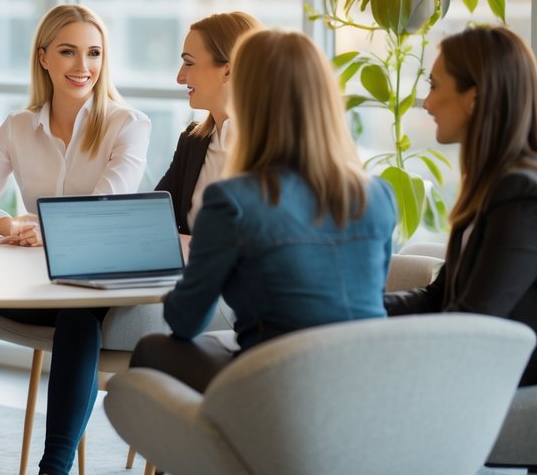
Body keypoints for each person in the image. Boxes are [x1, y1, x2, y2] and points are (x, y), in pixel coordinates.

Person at [132, 29, 396, 393]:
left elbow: (185, 321)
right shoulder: (378, 194)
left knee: (151, 350)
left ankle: (209, 446)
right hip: (368, 382)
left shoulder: (233, 200)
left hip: (278, 385)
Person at [0, 3, 150, 475]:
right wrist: (7, 225)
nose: (84, 67)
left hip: (92, 288)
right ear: (43, 58)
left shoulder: (128, 125)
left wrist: (44, 226)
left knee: (78, 317)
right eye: (68, 52)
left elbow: (103, 209)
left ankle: (52, 467)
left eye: (94, 53)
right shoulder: (19, 126)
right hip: (31, 287)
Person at [384, 26, 537, 385]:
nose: (426, 103)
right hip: (523, 363)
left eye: (434, 86)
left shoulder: (527, 193)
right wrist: (353, 311)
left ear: (474, 98)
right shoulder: (495, 182)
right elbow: (439, 298)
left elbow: (471, 324)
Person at [154, 12, 263, 235]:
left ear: (228, 71)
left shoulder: (275, 148)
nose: (180, 77)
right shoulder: (192, 141)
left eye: (188, 63)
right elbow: (153, 216)